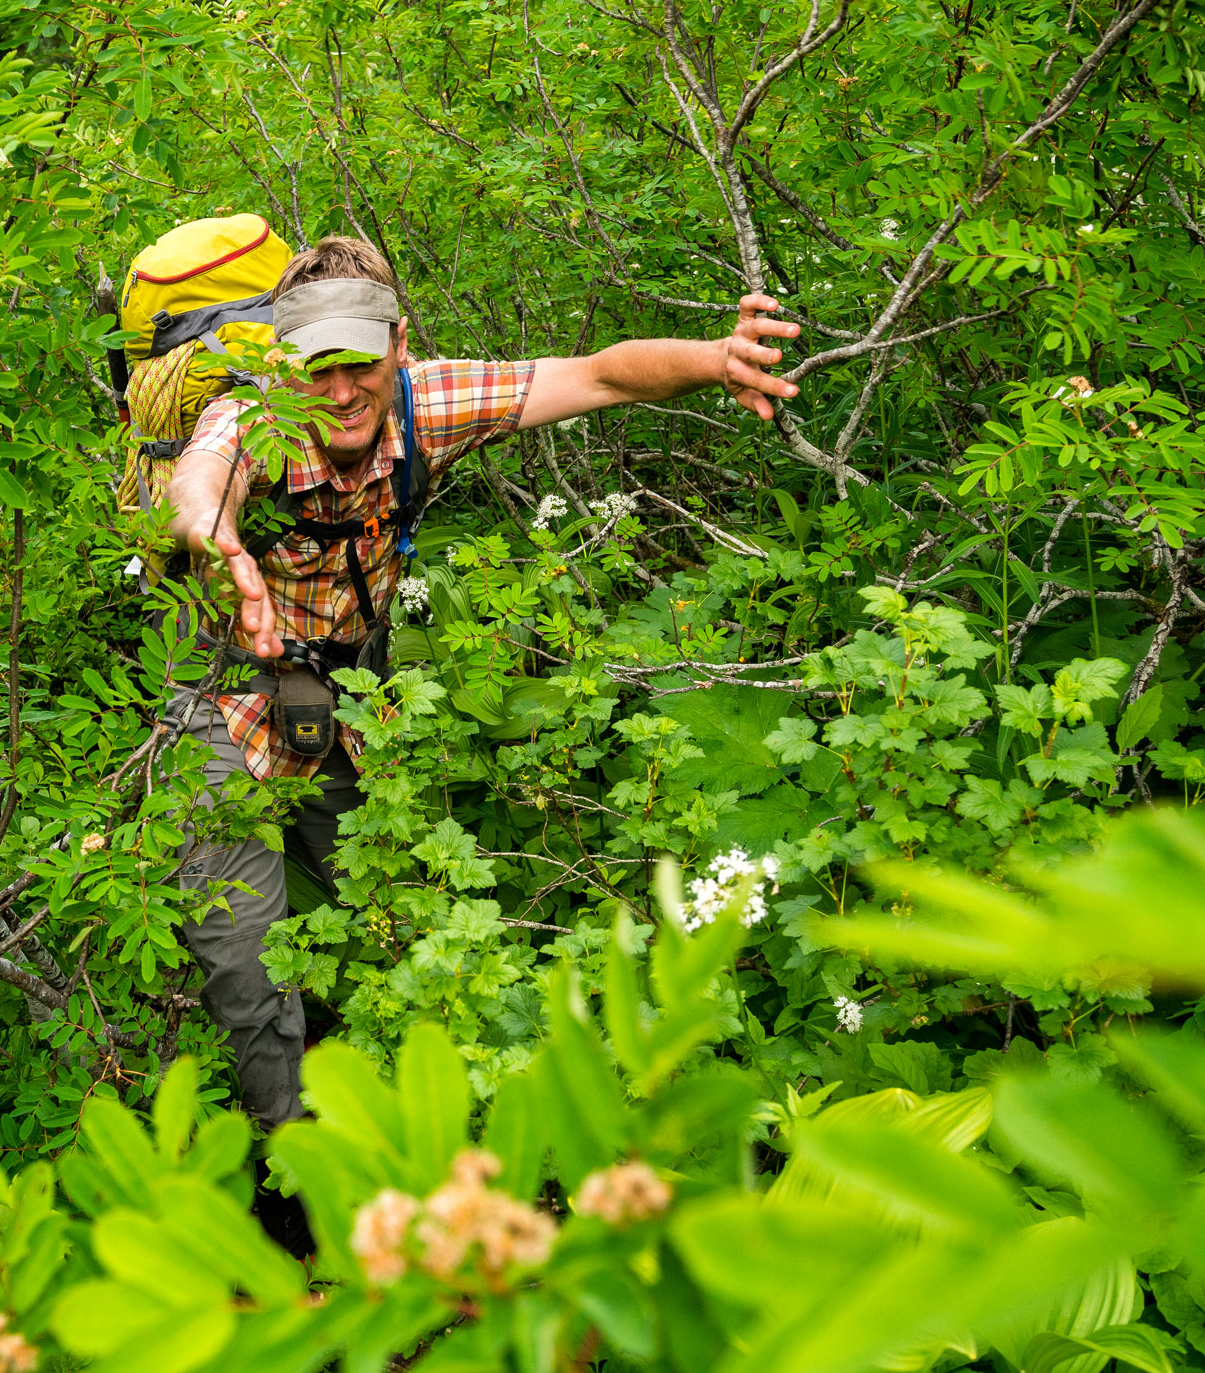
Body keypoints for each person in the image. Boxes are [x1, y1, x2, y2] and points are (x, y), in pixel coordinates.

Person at [161, 235, 800, 1130]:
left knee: (370, 892)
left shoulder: (433, 401)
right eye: (314, 367)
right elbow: (204, 475)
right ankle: (292, 1156)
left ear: (398, 344)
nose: (339, 391)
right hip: (224, 691)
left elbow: (602, 376)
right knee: (243, 951)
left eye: (358, 360)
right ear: (278, 364)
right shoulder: (250, 420)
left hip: (343, 694)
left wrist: (714, 359)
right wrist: (212, 536)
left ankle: (378, 1084)